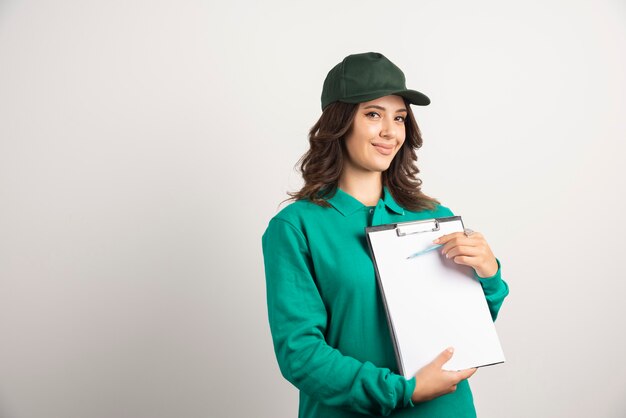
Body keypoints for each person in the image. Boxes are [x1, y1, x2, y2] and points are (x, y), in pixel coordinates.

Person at [261, 52, 509, 418]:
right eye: (373, 114)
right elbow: (300, 354)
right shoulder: (297, 227)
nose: (390, 132)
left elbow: (465, 325)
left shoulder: (433, 217)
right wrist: (402, 391)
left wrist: (489, 274)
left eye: (400, 118)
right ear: (340, 122)